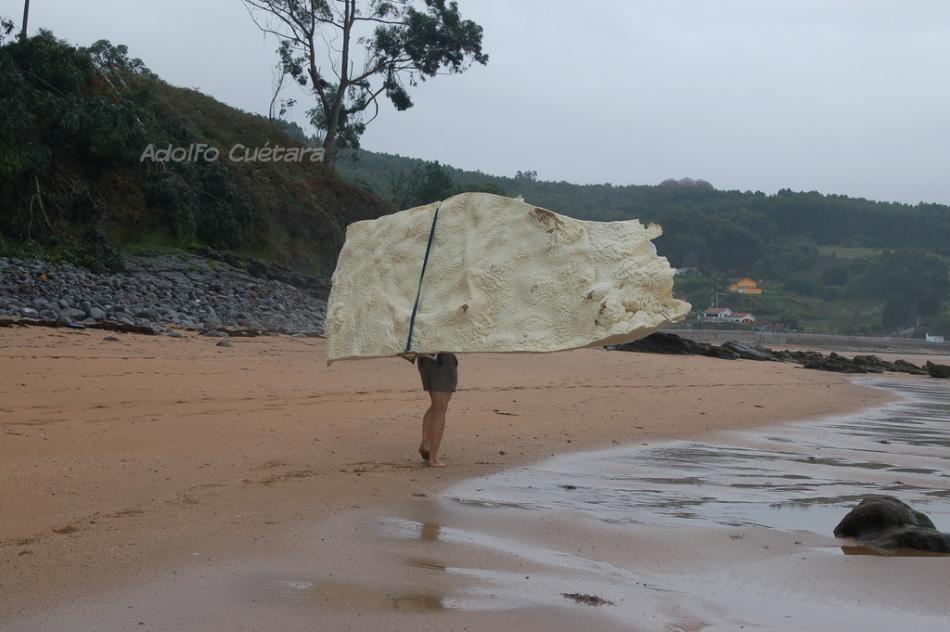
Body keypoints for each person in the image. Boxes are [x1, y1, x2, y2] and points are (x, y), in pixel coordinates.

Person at [409, 352, 459, 467]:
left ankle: (425, 443)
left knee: (436, 406)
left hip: (423, 359)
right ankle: (433, 458)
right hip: (442, 360)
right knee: (440, 409)